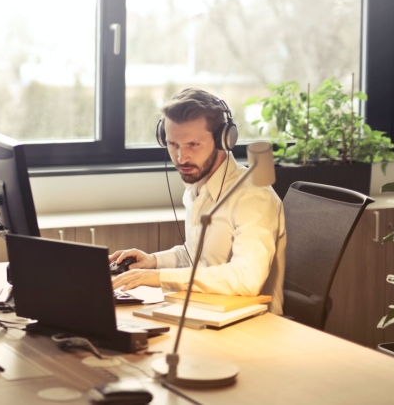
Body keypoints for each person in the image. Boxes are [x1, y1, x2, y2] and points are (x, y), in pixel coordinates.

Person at [111, 88, 286, 315]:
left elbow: (247, 278)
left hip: (252, 325)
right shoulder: (197, 187)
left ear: (224, 140)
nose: (181, 158)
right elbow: (197, 257)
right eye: (173, 145)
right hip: (205, 311)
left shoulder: (253, 197)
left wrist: (160, 277)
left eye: (193, 145)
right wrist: (153, 262)